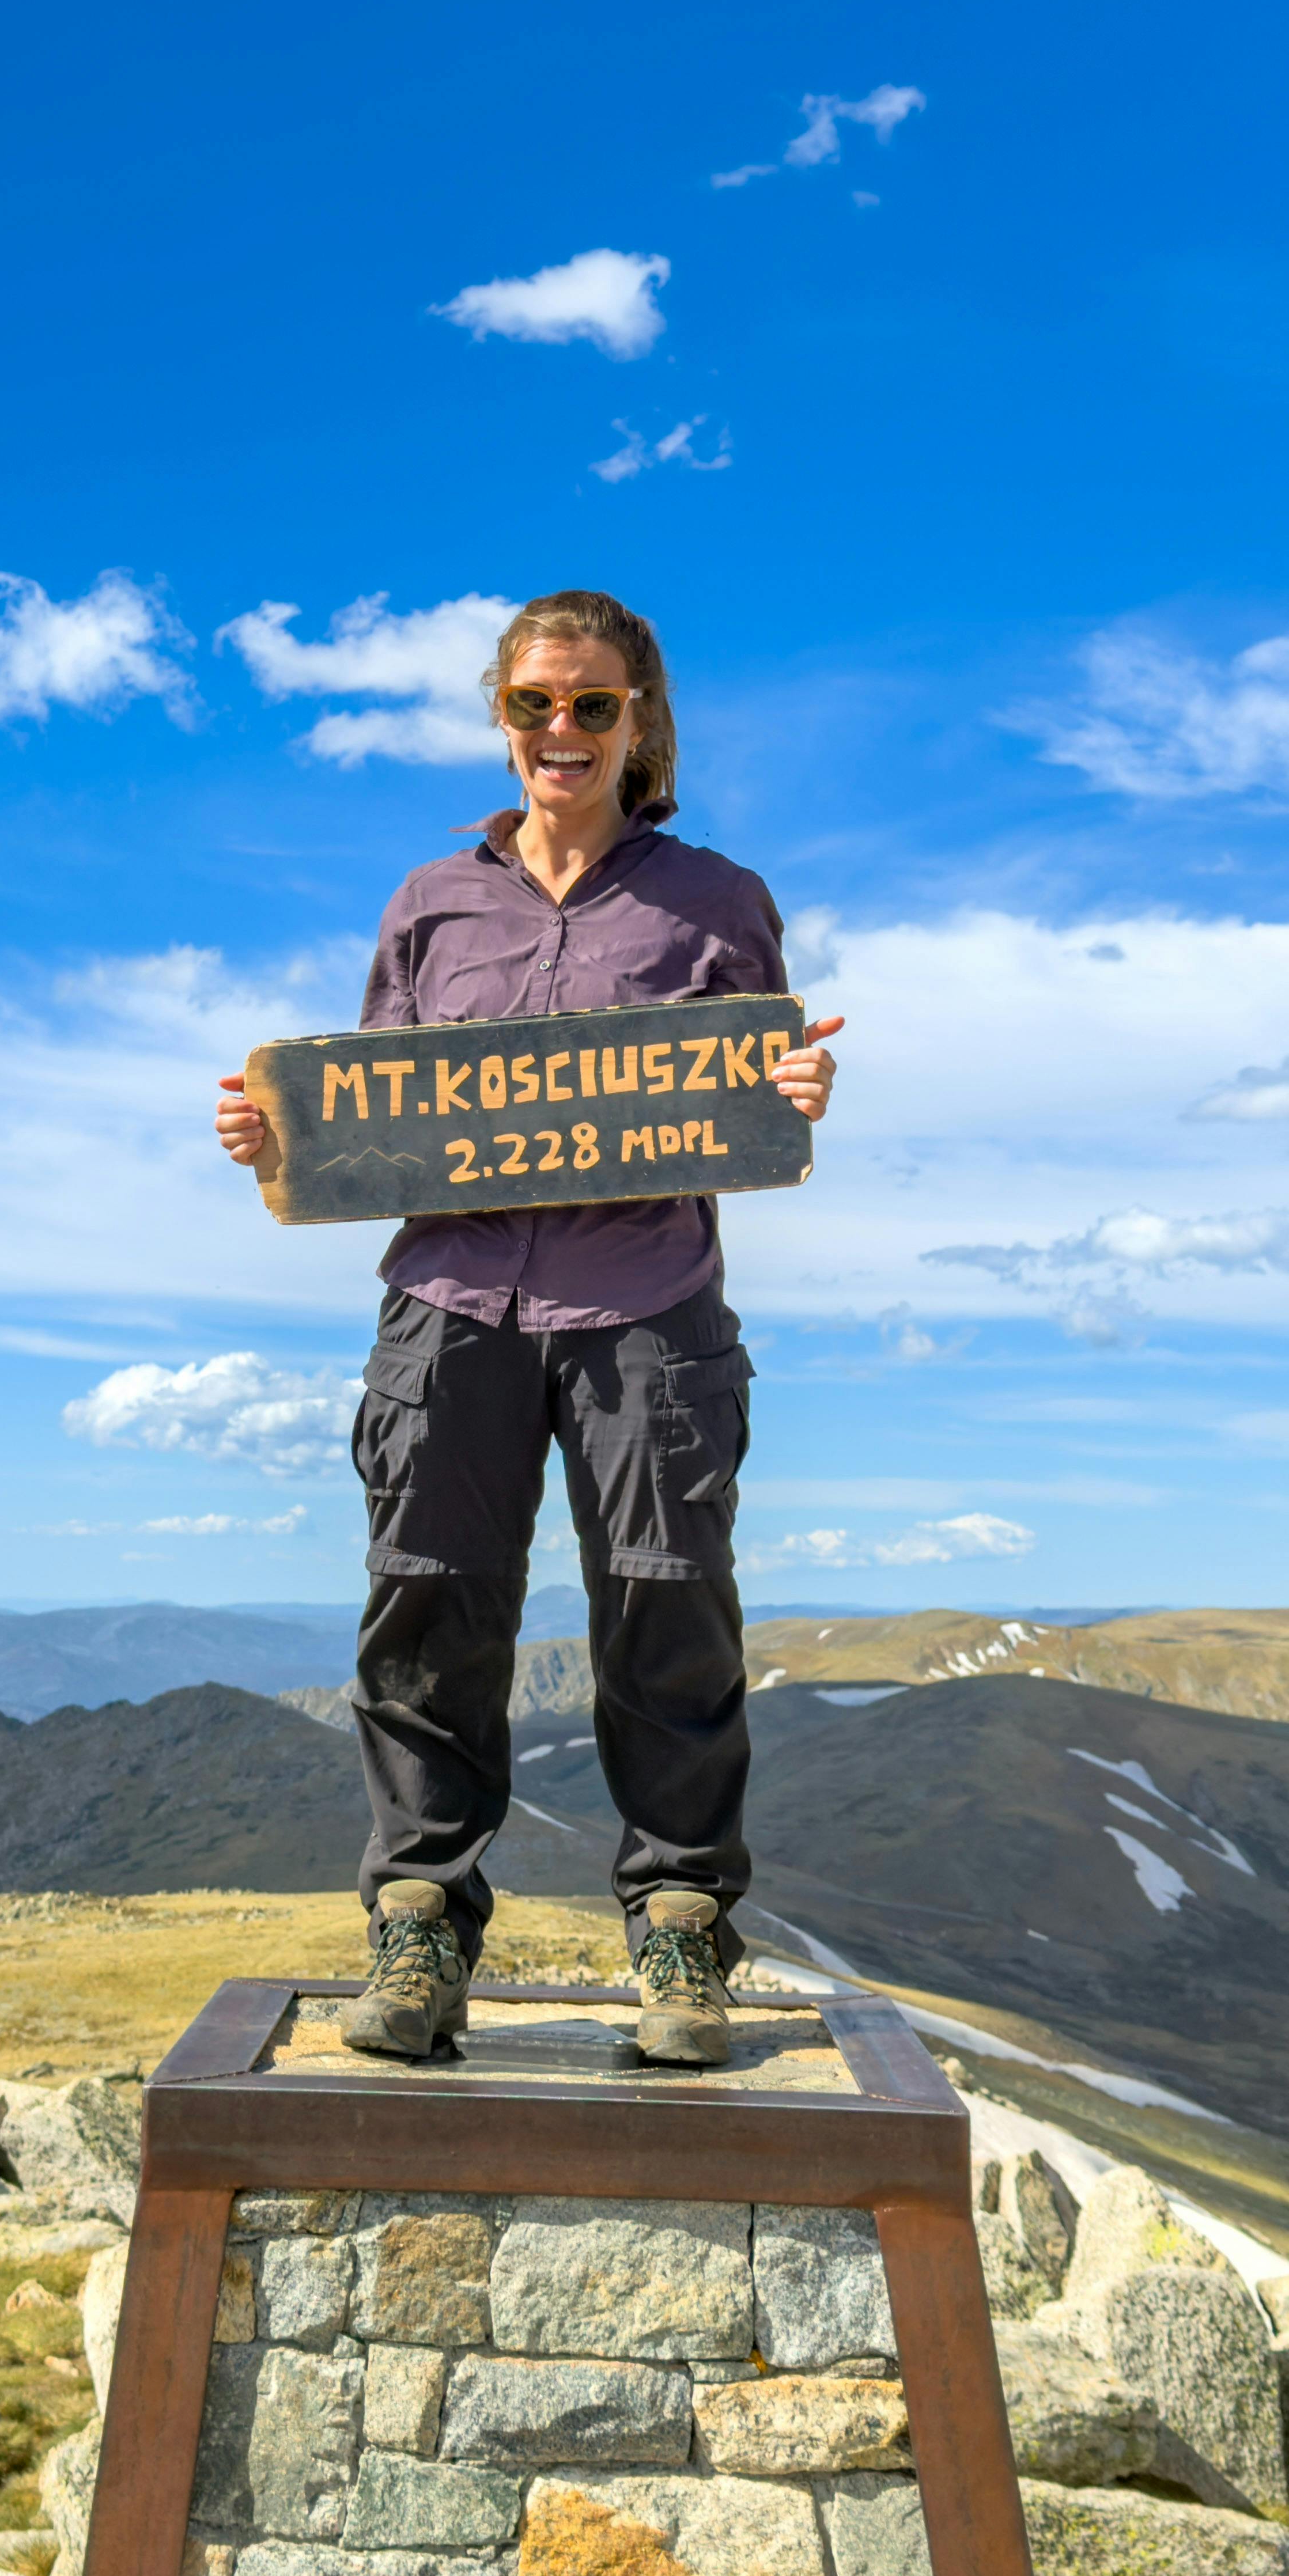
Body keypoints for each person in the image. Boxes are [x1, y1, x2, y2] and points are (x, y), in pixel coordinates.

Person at [214, 588, 841, 2069]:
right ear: (503, 722)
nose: (563, 730)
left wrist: (793, 1102)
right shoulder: (430, 903)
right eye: (535, 705)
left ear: (644, 723)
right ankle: (420, 1921)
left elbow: (745, 1095)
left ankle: (683, 1929)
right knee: (427, 1605)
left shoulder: (719, 902)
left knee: (668, 1605)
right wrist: (274, 1138)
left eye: (594, 705)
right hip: (450, 1309)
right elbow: (372, 1114)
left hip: (649, 1308)